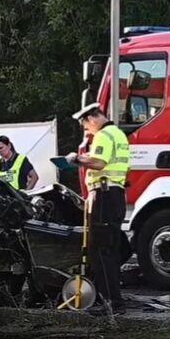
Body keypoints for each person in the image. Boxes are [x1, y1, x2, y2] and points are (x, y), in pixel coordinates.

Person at [65, 103, 130, 311]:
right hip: (114, 195)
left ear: (92, 119)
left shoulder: (103, 135)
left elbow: (99, 163)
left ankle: (111, 301)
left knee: (100, 250)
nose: (87, 131)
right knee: (110, 247)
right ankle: (114, 298)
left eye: (85, 127)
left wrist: (77, 158)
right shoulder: (118, 134)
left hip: (103, 196)